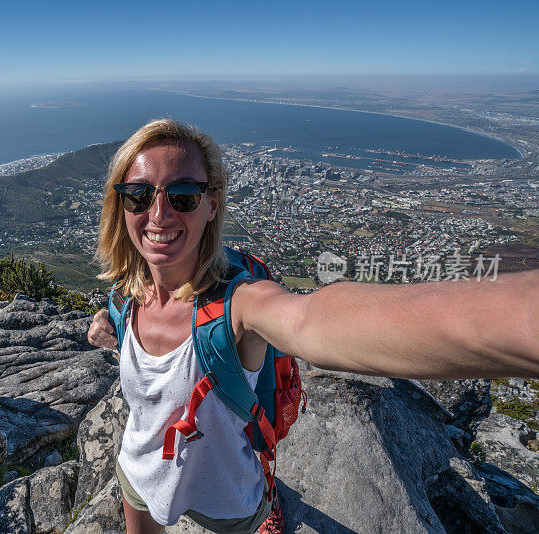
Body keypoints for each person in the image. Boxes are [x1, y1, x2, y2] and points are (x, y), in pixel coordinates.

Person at [87, 118, 539, 534]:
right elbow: (130, 329)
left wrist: (519, 321)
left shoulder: (240, 305)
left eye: (182, 195)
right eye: (139, 195)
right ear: (122, 204)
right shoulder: (127, 293)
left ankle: (270, 505)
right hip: (141, 474)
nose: (159, 213)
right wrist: (104, 321)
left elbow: (310, 321)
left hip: (229, 499)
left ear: (211, 206)